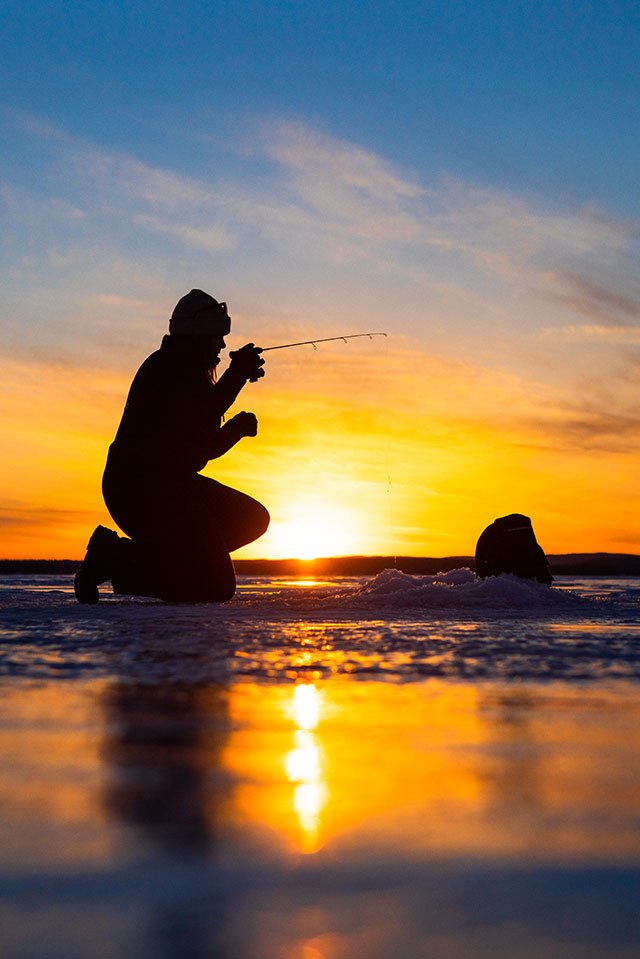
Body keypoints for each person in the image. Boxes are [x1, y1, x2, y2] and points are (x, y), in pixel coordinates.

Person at [75, 289, 270, 604]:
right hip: (140, 490)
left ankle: (117, 553)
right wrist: (236, 376)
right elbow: (199, 419)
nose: (222, 346)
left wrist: (235, 429)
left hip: (172, 488)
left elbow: (195, 451)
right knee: (214, 585)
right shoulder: (168, 367)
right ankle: (119, 565)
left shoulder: (191, 372)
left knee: (251, 519)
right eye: (217, 336)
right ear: (199, 334)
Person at [475, 513, 553, 586]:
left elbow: (545, 578)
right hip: (502, 585)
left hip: (511, 584)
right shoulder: (495, 540)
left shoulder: (532, 549)